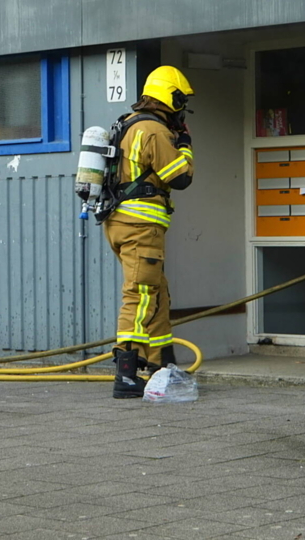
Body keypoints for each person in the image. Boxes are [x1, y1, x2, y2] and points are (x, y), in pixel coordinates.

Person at [105, 66, 195, 399]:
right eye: (180, 100)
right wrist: (184, 144)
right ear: (170, 98)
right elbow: (180, 177)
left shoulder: (128, 124)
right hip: (140, 226)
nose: (181, 107)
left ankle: (161, 367)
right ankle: (126, 375)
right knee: (140, 294)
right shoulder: (153, 130)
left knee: (157, 293)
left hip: (123, 223)